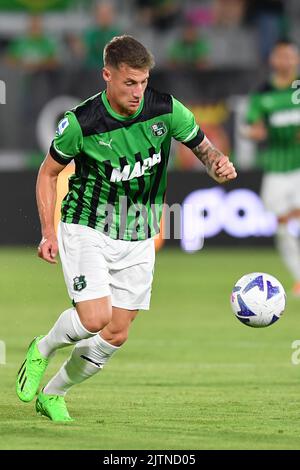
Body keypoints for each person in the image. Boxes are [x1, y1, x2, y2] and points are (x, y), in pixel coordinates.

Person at [16, 35, 237, 422]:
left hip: (139, 232)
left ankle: (53, 394)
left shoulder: (165, 110)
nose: (138, 91)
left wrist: (217, 162)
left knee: (116, 332)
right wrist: (48, 233)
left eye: (144, 81)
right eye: (129, 82)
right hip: (88, 225)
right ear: (107, 75)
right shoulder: (80, 122)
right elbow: (48, 173)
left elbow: (204, 148)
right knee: (94, 319)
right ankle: (43, 347)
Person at [243, 39, 300, 295]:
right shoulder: (263, 94)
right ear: (272, 60)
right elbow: (249, 126)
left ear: (296, 59)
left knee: (291, 218)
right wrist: (255, 132)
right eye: (281, 56)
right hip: (276, 169)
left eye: (290, 55)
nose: (285, 60)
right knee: (282, 227)